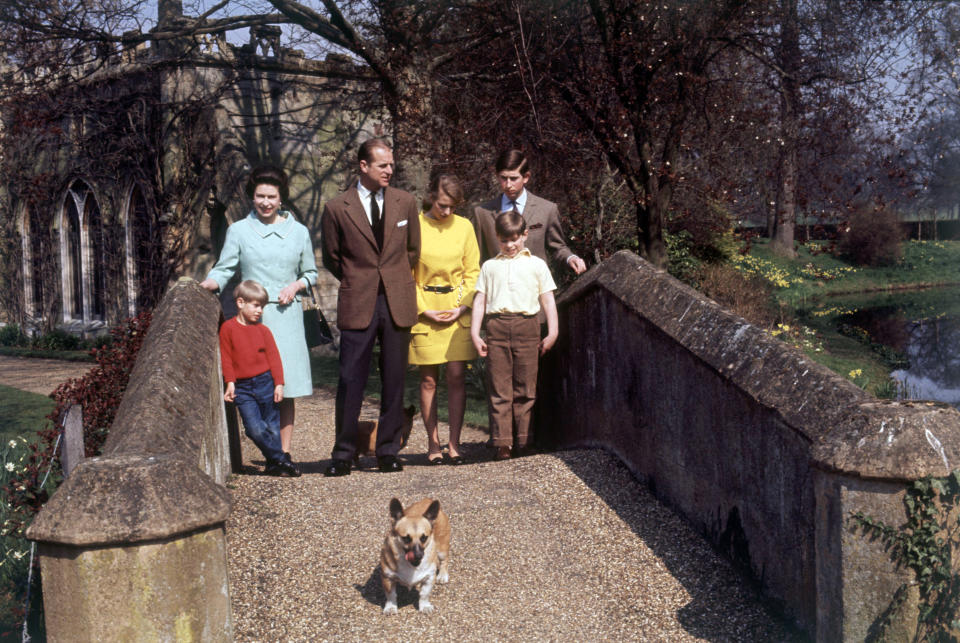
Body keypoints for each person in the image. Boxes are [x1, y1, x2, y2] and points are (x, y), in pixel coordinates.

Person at [200, 165, 317, 467]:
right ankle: (270, 449)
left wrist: (296, 285)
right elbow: (225, 267)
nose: (265, 202)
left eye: (271, 197)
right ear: (253, 198)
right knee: (254, 384)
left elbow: (311, 273)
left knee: (285, 387)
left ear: (282, 199)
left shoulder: (299, 232)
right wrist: (209, 284)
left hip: (286, 316)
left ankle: (284, 452)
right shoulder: (239, 230)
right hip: (253, 319)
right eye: (260, 196)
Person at [320, 138, 421, 476]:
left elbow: (412, 251)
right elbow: (334, 258)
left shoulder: (406, 202)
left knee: (394, 378)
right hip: (358, 299)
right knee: (350, 379)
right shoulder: (337, 208)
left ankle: (388, 450)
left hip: (397, 300)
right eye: (383, 165)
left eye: (391, 165)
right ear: (363, 166)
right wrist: (360, 279)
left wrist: (392, 279)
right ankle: (344, 453)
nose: (390, 170)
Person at [470, 211, 558, 460]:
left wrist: (553, 331)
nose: (509, 246)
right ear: (497, 239)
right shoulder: (490, 266)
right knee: (499, 388)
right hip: (497, 328)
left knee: (526, 388)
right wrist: (476, 334)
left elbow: (548, 300)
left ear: (525, 235)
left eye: (513, 240)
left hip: (527, 327)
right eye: (503, 241)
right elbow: (480, 301)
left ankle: (524, 440)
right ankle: (502, 443)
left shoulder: (537, 265)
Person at [409, 174, 480, 465]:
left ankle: (454, 443)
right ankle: (433, 443)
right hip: (425, 311)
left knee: (456, 377)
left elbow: (473, 272)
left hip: (456, 311)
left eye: (452, 206)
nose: (447, 211)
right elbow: (405, 271)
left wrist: (462, 307)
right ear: (431, 197)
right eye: (442, 205)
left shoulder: (464, 227)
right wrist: (424, 309)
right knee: (428, 381)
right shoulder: (415, 225)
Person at [219, 280, 300, 477]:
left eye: (262, 306)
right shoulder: (228, 329)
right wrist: (230, 382)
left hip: (265, 383)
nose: (260, 311)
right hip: (242, 388)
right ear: (240, 303)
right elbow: (226, 358)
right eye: (256, 305)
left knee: (272, 426)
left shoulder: (263, 330)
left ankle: (273, 465)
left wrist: (278, 384)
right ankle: (281, 459)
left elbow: (274, 358)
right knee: (254, 428)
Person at [472, 149, 587, 275]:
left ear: (526, 177)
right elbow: (477, 259)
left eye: (513, 178)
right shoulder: (482, 213)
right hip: (497, 290)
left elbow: (557, 247)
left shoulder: (547, 209)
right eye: (503, 178)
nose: (508, 184)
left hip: (536, 290)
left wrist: (570, 258)